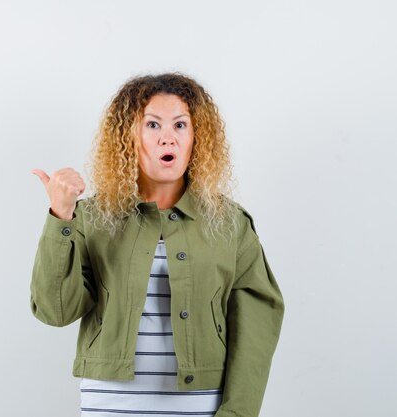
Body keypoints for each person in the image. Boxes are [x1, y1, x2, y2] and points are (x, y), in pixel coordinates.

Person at [29, 72, 285, 417]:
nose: (168, 138)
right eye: (152, 125)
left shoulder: (229, 224)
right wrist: (61, 216)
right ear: (128, 137)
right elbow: (55, 311)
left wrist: (238, 412)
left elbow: (257, 327)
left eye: (180, 126)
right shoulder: (90, 217)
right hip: (111, 404)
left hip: (201, 406)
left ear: (197, 138)